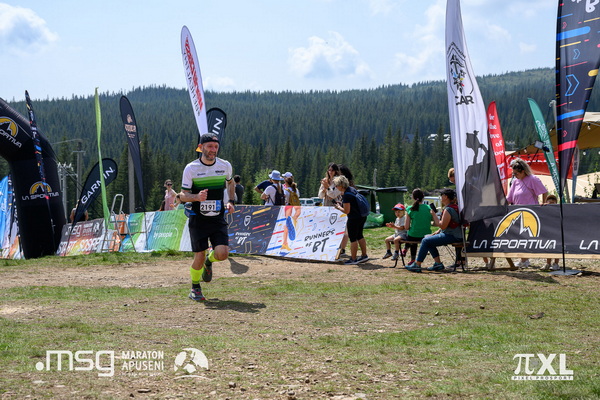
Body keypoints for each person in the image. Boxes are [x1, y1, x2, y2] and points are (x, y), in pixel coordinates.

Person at [179, 133, 235, 302]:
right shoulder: (191, 168)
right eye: (209, 146)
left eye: (216, 147)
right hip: (198, 219)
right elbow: (182, 195)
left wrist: (231, 201)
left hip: (217, 218)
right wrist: (196, 197)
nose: (213, 150)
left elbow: (230, 182)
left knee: (222, 254)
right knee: (199, 256)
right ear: (200, 147)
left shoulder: (225, 165)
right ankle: (195, 287)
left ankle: (209, 262)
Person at [406, 188, 463, 272]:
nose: (440, 197)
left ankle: (417, 264)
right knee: (428, 239)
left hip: (452, 236)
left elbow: (442, 226)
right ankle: (438, 264)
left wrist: (434, 215)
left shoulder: (448, 209)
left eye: (441, 195)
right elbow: (446, 225)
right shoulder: (454, 207)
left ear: (446, 197)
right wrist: (438, 231)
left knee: (425, 240)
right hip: (456, 235)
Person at [507, 158, 548, 268]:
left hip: (530, 212)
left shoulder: (533, 179)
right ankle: (523, 259)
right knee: (520, 237)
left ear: (523, 171)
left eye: (516, 173)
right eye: (513, 174)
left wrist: (544, 203)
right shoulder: (515, 182)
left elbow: (544, 191)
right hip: (517, 212)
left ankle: (525, 260)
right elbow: (509, 198)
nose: (514, 175)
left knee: (525, 237)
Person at [332, 175, 368, 265]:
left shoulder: (346, 195)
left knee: (353, 238)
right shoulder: (352, 190)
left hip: (354, 218)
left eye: (336, 185)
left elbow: (346, 211)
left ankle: (353, 259)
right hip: (362, 216)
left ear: (341, 185)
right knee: (359, 235)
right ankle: (364, 255)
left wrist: (338, 207)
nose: (336, 187)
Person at [403, 188, 433, 265]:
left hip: (413, 235)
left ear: (413, 197)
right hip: (426, 235)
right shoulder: (428, 208)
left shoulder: (410, 209)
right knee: (414, 234)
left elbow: (406, 227)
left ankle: (412, 258)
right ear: (423, 197)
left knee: (411, 235)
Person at [281, 176, 302, 251]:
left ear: (286, 183)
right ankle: (287, 243)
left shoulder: (286, 190)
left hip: (288, 207)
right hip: (295, 208)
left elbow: (285, 199)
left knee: (286, 226)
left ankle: (285, 243)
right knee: (290, 225)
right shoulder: (296, 190)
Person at [542, 194, 560, 271]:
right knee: (548, 247)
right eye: (549, 201)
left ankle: (556, 264)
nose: (551, 202)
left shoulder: (559, 209)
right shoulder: (545, 209)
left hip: (557, 231)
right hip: (548, 231)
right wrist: (542, 206)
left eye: (553, 201)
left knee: (557, 247)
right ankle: (548, 263)